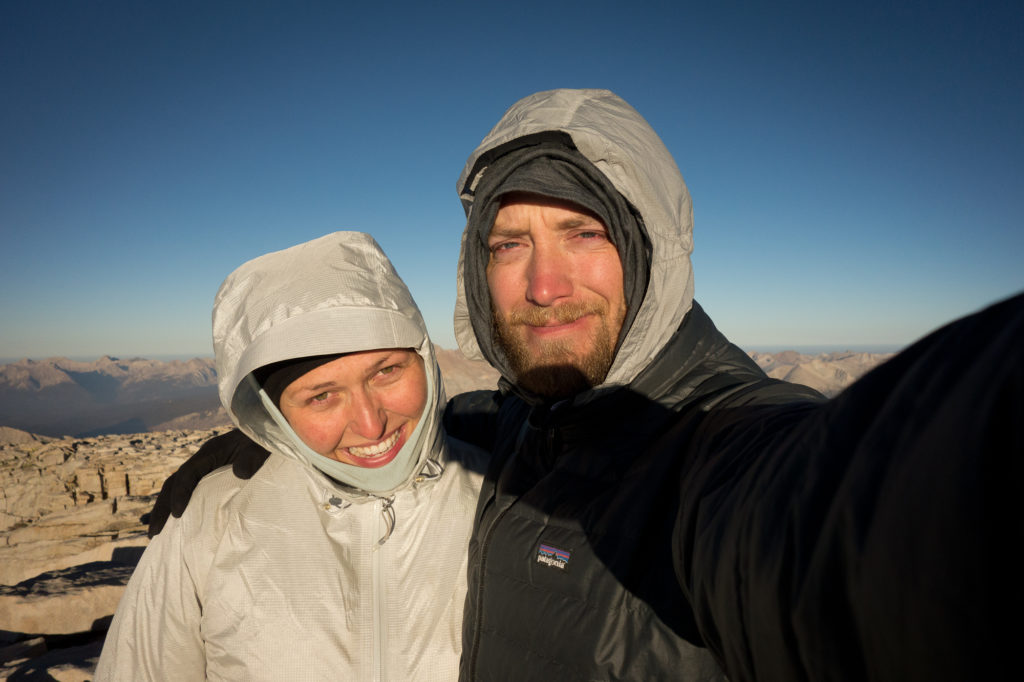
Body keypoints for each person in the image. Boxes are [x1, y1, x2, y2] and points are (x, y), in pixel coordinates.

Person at [151, 90, 1023, 681]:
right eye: (509, 244)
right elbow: (486, 417)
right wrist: (282, 443)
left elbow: (839, 522)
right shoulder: (527, 423)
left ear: (647, 249)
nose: (543, 285)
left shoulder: (720, 448)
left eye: (582, 231)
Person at [96, 231, 488, 680]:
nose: (370, 423)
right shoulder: (210, 518)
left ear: (425, 361)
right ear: (272, 414)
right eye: (321, 397)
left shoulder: (507, 498)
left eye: (387, 371)